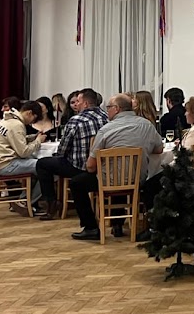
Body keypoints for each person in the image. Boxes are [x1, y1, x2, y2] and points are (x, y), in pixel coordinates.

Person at [69, 93, 163, 241]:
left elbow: (91, 166)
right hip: (138, 180)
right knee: (122, 176)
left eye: (108, 107)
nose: (107, 111)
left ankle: (91, 227)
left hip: (109, 181)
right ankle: (118, 224)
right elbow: (159, 149)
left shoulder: (106, 130)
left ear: (117, 109)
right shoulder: (147, 125)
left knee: (77, 183)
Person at [35, 89, 108, 219]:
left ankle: (51, 203)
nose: (76, 104)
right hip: (103, 166)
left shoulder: (76, 120)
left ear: (85, 103)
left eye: (78, 101)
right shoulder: (107, 117)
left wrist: (58, 155)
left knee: (42, 164)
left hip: (79, 167)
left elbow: (63, 149)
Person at [0, 99, 48, 210]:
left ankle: (24, 199)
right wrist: (38, 141)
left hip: (0, 162)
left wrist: (33, 138)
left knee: (39, 165)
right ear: (29, 113)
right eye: (34, 119)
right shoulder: (17, 125)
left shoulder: (6, 120)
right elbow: (23, 152)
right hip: (7, 165)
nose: (32, 123)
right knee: (46, 168)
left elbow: (15, 139)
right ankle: (26, 202)